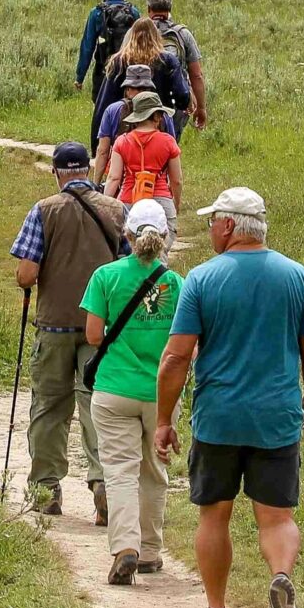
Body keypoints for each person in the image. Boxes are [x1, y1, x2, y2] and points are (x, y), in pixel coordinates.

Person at [155, 187, 304, 608]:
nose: (210, 229)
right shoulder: (296, 276)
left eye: (212, 221)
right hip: (276, 416)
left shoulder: (202, 279)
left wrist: (164, 420)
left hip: (218, 417)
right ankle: (281, 577)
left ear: (230, 225)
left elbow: (176, 357)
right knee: (277, 517)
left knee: (214, 514)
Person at [10, 141, 129, 525]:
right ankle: (103, 484)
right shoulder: (116, 210)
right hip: (101, 329)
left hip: (54, 325)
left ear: (56, 173)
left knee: (49, 407)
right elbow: (129, 267)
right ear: (89, 169)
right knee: (98, 408)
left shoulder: (43, 210)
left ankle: (47, 490)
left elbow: (27, 275)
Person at [81, 200, 184, 585]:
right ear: (165, 237)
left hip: (114, 389)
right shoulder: (176, 285)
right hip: (161, 393)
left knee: (120, 471)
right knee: (154, 471)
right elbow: (186, 344)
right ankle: (151, 551)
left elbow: (93, 336)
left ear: (126, 234)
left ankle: (126, 546)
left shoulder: (105, 276)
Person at [91, 17, 190, 155]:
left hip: (123, 127)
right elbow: (183, 96)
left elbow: (104, 102)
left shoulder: (119, 61)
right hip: (157, 124)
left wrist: (96, 144)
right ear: (156, 36)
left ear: (131, 36)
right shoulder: (167, 60)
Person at [104, 92, 182, 264]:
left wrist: (104, 204)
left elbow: (114, 178)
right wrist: (176, 203)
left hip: (129, 199)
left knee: (129, 253)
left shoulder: (122, 141)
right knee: (160, 252)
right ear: (156, 116)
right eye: (160, 114)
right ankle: (159, 276)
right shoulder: (168, 142)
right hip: (161, 199)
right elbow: (176, 180)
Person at [93, 64, 176, 184]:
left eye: (143, 89)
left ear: (127, 89)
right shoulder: (163, 114)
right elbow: (172, 152)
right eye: (138, 88)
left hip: (122, 182)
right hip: (155, 183)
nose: (140, 92)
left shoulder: (112, 111)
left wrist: (96, 184)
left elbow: (103, 151)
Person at [146, 0, 207, 138]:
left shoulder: (139, 33)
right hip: (176, 103)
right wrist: (201, 108)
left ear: (149, 8)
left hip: (144, 101)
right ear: (170, 8)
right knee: (170, 143)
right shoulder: (183, 34)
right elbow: (196, 75)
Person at [75, 0, 140, 104]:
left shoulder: (97, 13)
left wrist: (80, 77)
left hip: (103, 73)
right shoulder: (133, 12)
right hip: (129, 74)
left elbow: (87, 47)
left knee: (102, 113)